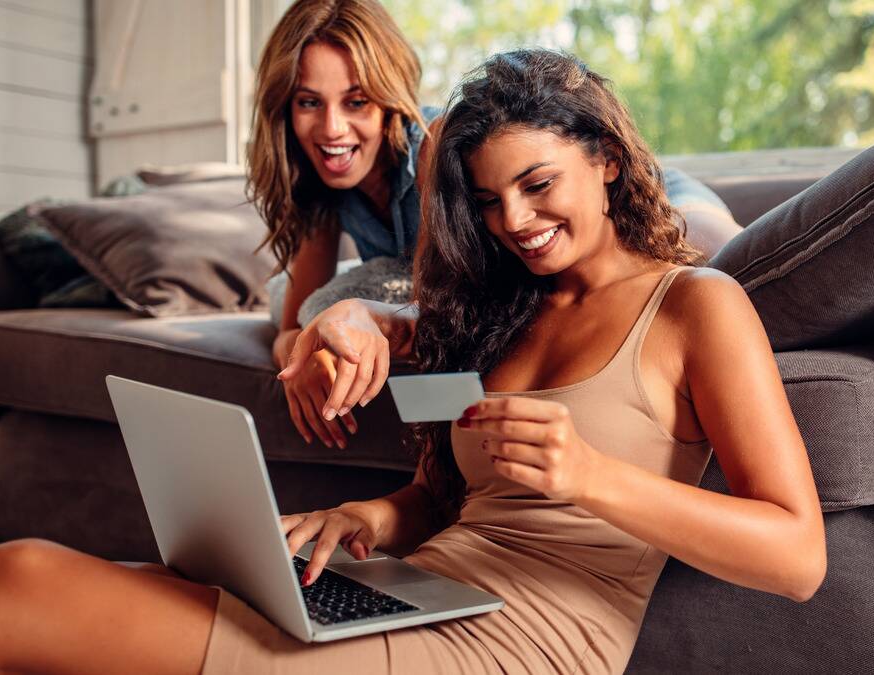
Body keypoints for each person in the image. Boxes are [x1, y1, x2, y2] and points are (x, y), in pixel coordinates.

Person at [0, 49, 822, 675]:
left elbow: (796, 555)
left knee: (21, 583)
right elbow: (454, 499)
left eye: (538, 184)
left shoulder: (697, 305)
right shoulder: (507, 305)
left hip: (523, 640)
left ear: (604, 160)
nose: (513, 220)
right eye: (487, 200)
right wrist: (369, 514)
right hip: (426, 588)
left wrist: (592, 476)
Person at [247, 0, 744, 451]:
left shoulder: (434, 147)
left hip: (643, 192)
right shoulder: (317, 184)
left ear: (390, 96)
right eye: (309, 102)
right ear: (285, 108)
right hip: (516, 220)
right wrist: (305, 354)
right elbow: (293, 326)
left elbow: (436, 317)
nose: (332, 128)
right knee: (307, 301)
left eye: (356, 102)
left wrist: (348, 322)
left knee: (723, 264)